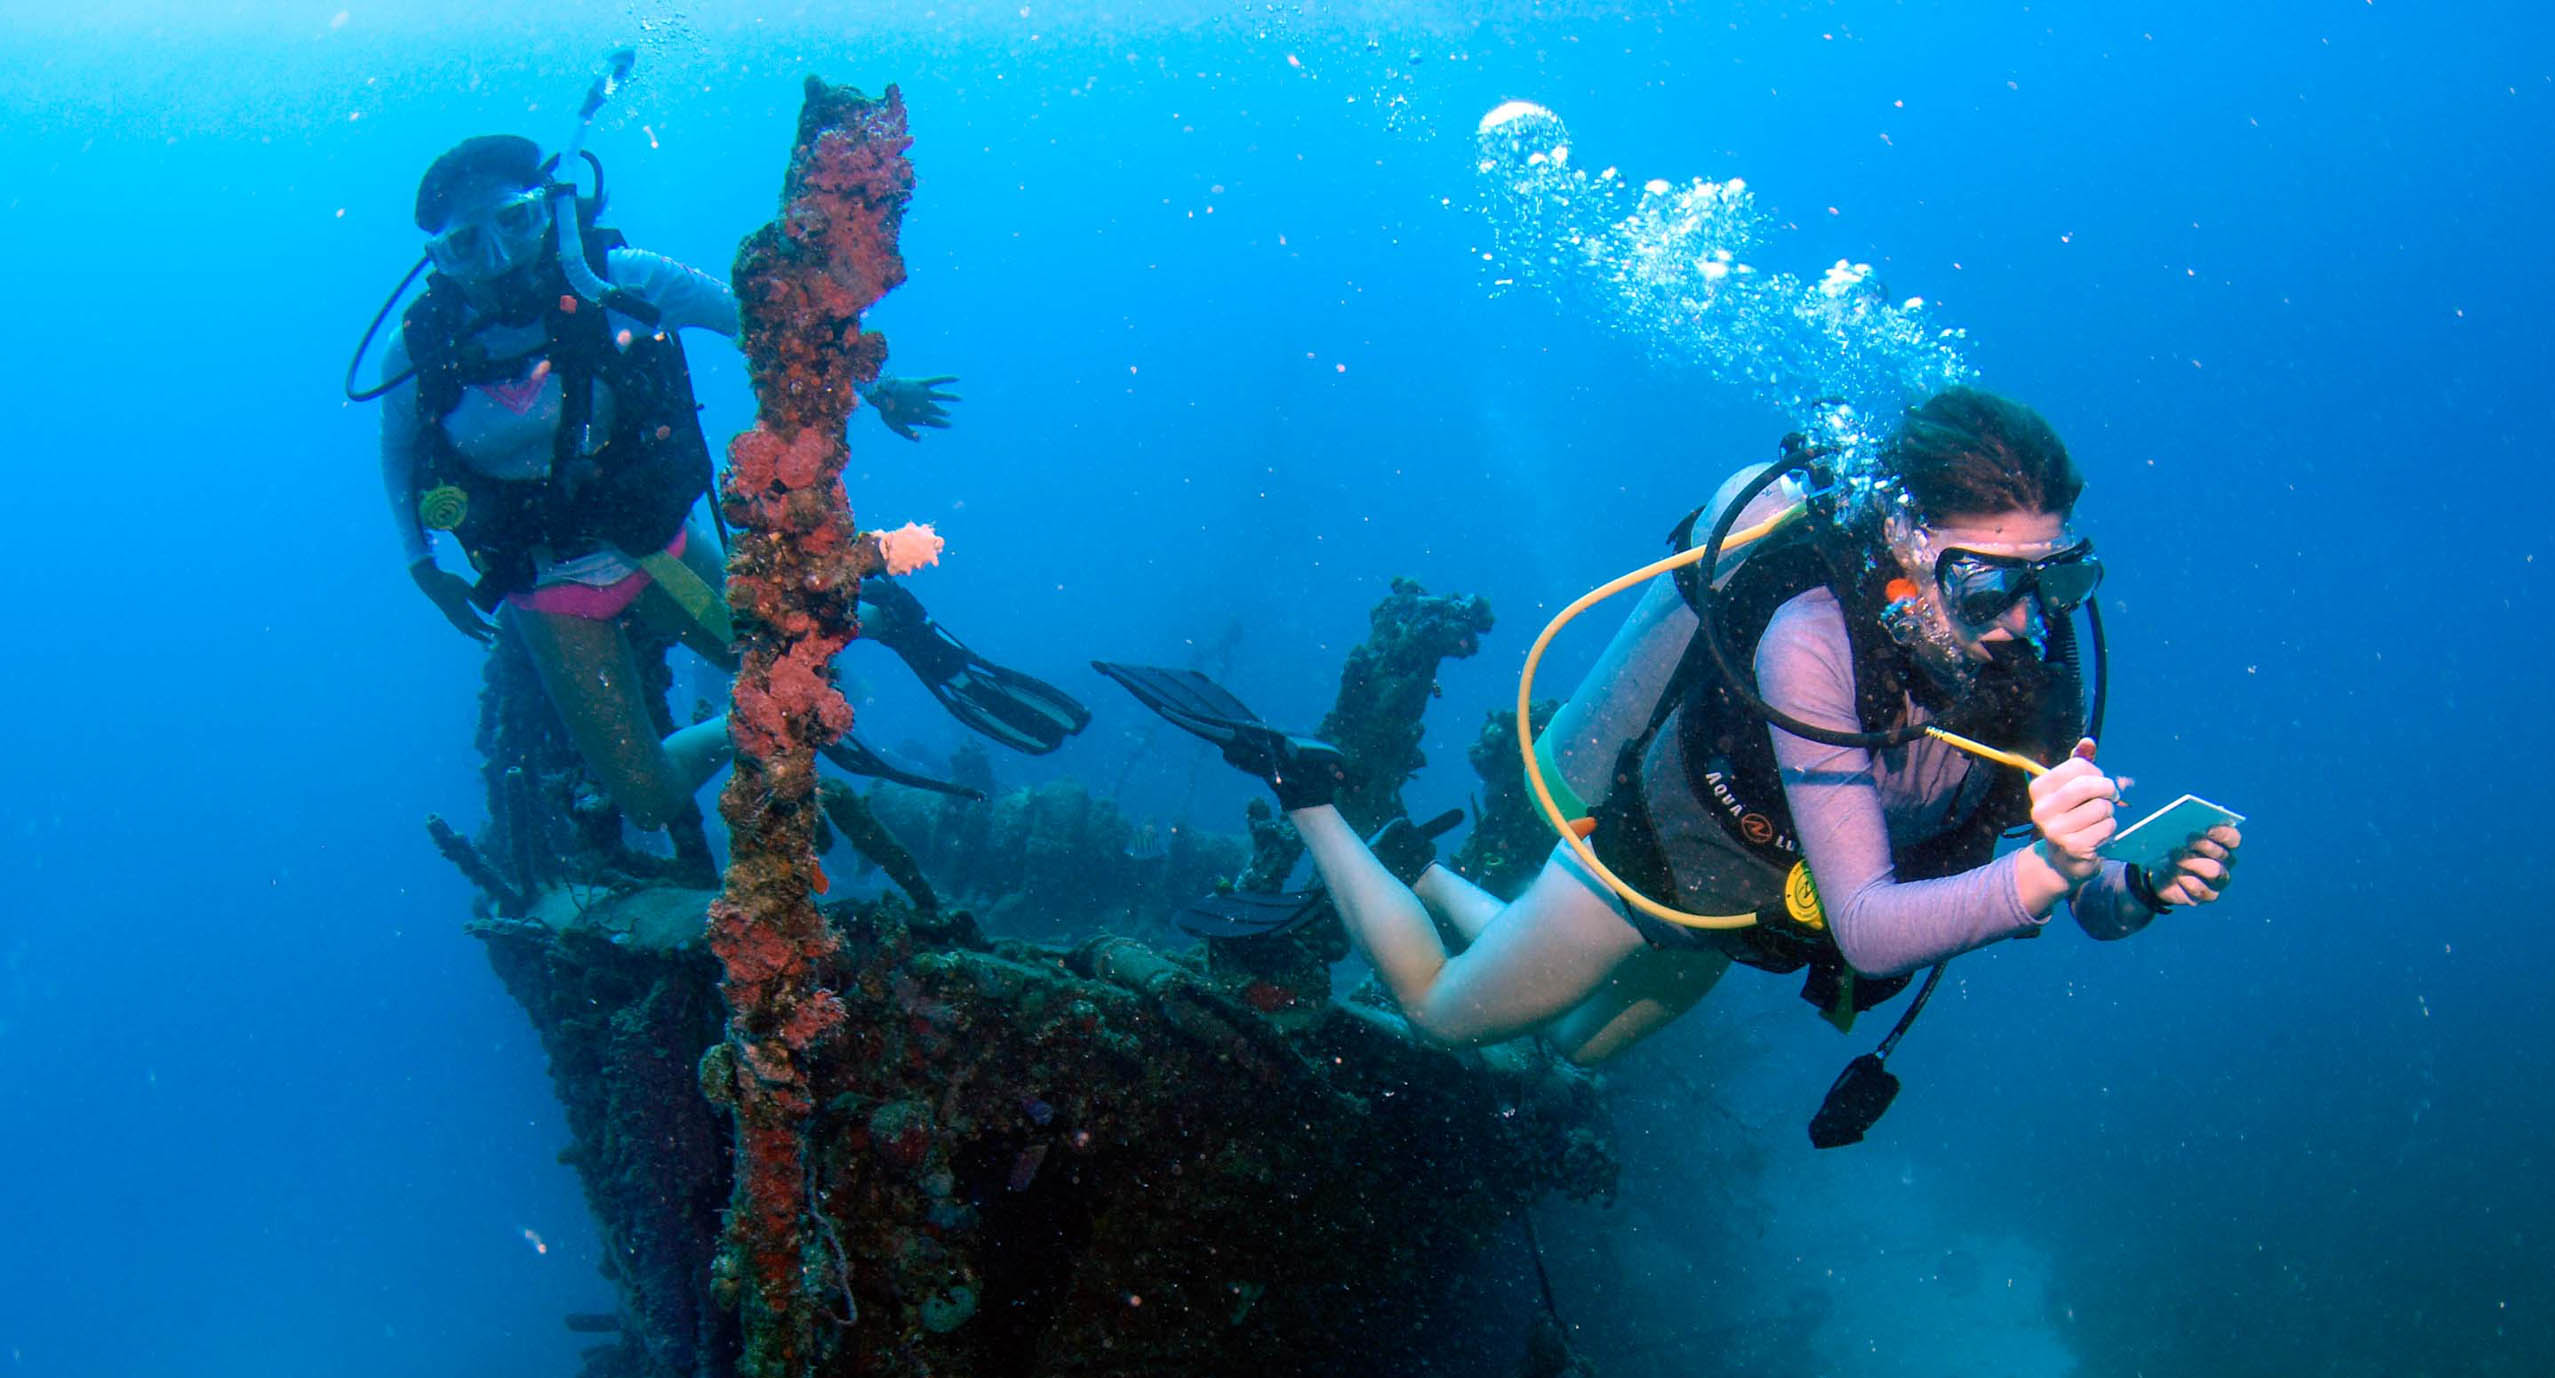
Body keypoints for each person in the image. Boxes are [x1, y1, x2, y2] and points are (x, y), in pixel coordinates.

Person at [1100, 388, 2241, 1072]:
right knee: (1451, 1020)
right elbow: (1875, 926)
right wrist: (2043, 874)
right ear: (1902, 543)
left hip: (1751, 914)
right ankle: (1309, 793)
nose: (2026, 623)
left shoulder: (2027, 676)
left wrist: (2128, 888)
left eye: (2059, 577)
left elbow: (2069, 893)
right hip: (1657, 856)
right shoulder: (1813, 635)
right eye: (1990, 586)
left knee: (1571, 1052)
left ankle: (1421, 869)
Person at [361, 134, 1087, 832]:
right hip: (545, 584)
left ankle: (883, 618)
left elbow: (767, 329)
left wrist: (879, 382)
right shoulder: (418, 348)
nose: (496, 257)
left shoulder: (625, 280)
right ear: (437, 260)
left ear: (547, 210)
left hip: (656, 548)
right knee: (649, 801)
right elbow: (398, 456)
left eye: (514, 222)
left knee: (796, 670)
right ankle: (755, 714)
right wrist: (420, 564)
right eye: (464, 244)